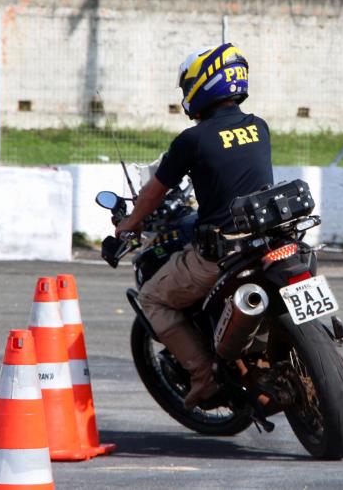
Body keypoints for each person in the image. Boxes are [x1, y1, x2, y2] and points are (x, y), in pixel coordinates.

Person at [115, 43, 274, 408]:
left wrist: (127, 225)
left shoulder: (193, 140)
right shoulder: (258, 127)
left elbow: (154, 193)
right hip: (267, 242)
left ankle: (204, 376)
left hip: (223, 253)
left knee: (152, 298)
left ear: (202, 86)